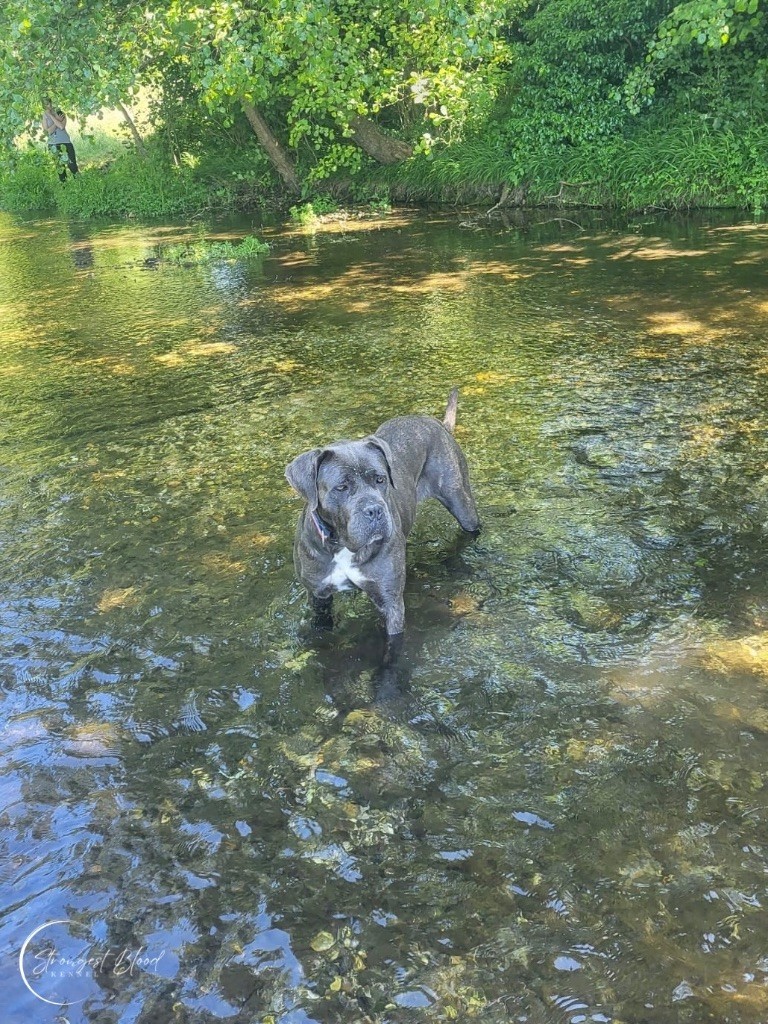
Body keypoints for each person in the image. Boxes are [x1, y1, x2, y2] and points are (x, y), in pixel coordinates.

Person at [42, 97, 79, 181]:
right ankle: (64, 188)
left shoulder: (60, 113)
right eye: (47, 104)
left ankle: (80, 184)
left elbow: (62, 126)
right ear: (43, 106)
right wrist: (56, 120)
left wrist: (52, 116)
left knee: (72, 165)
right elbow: (48, 132)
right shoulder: (44, 116)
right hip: (53, 144)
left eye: (50, 103)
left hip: (65, 142)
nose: (49, 106)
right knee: (60, 169)